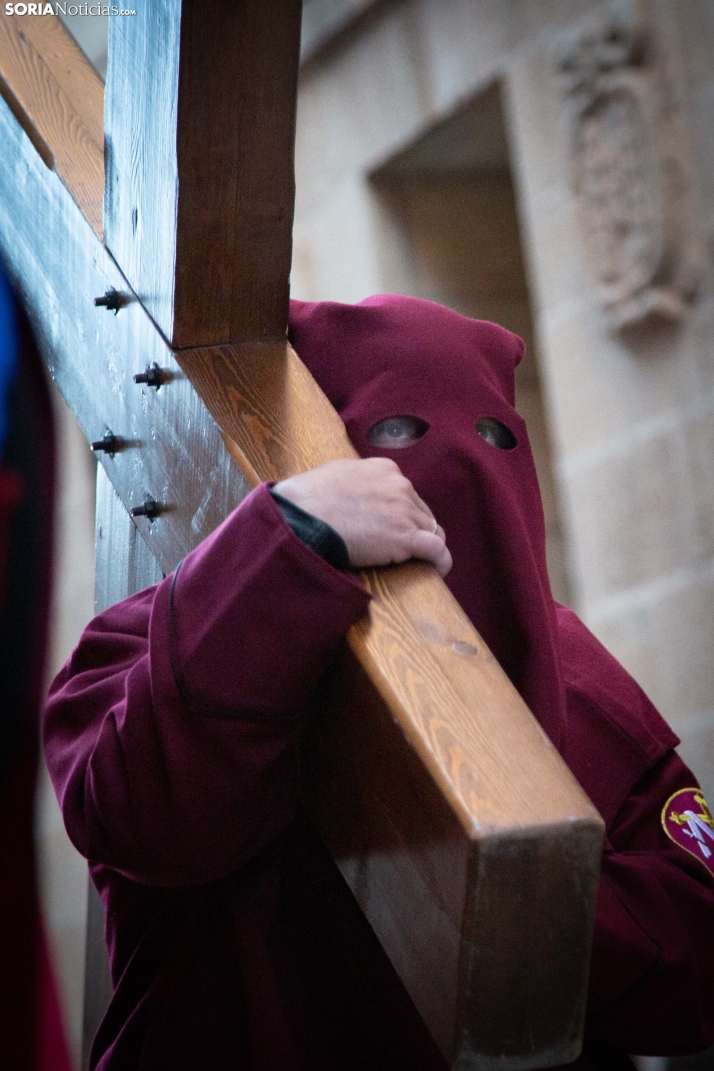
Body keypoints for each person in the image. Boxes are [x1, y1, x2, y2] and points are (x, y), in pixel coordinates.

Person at [44, 295, 714, 1070]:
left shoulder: (580, 673)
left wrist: (504, 909)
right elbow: (142, 811)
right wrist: (286, 547)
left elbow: (694, 950)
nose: (462, 464)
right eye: (396, 430)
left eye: (494, 436)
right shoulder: (157, 637)